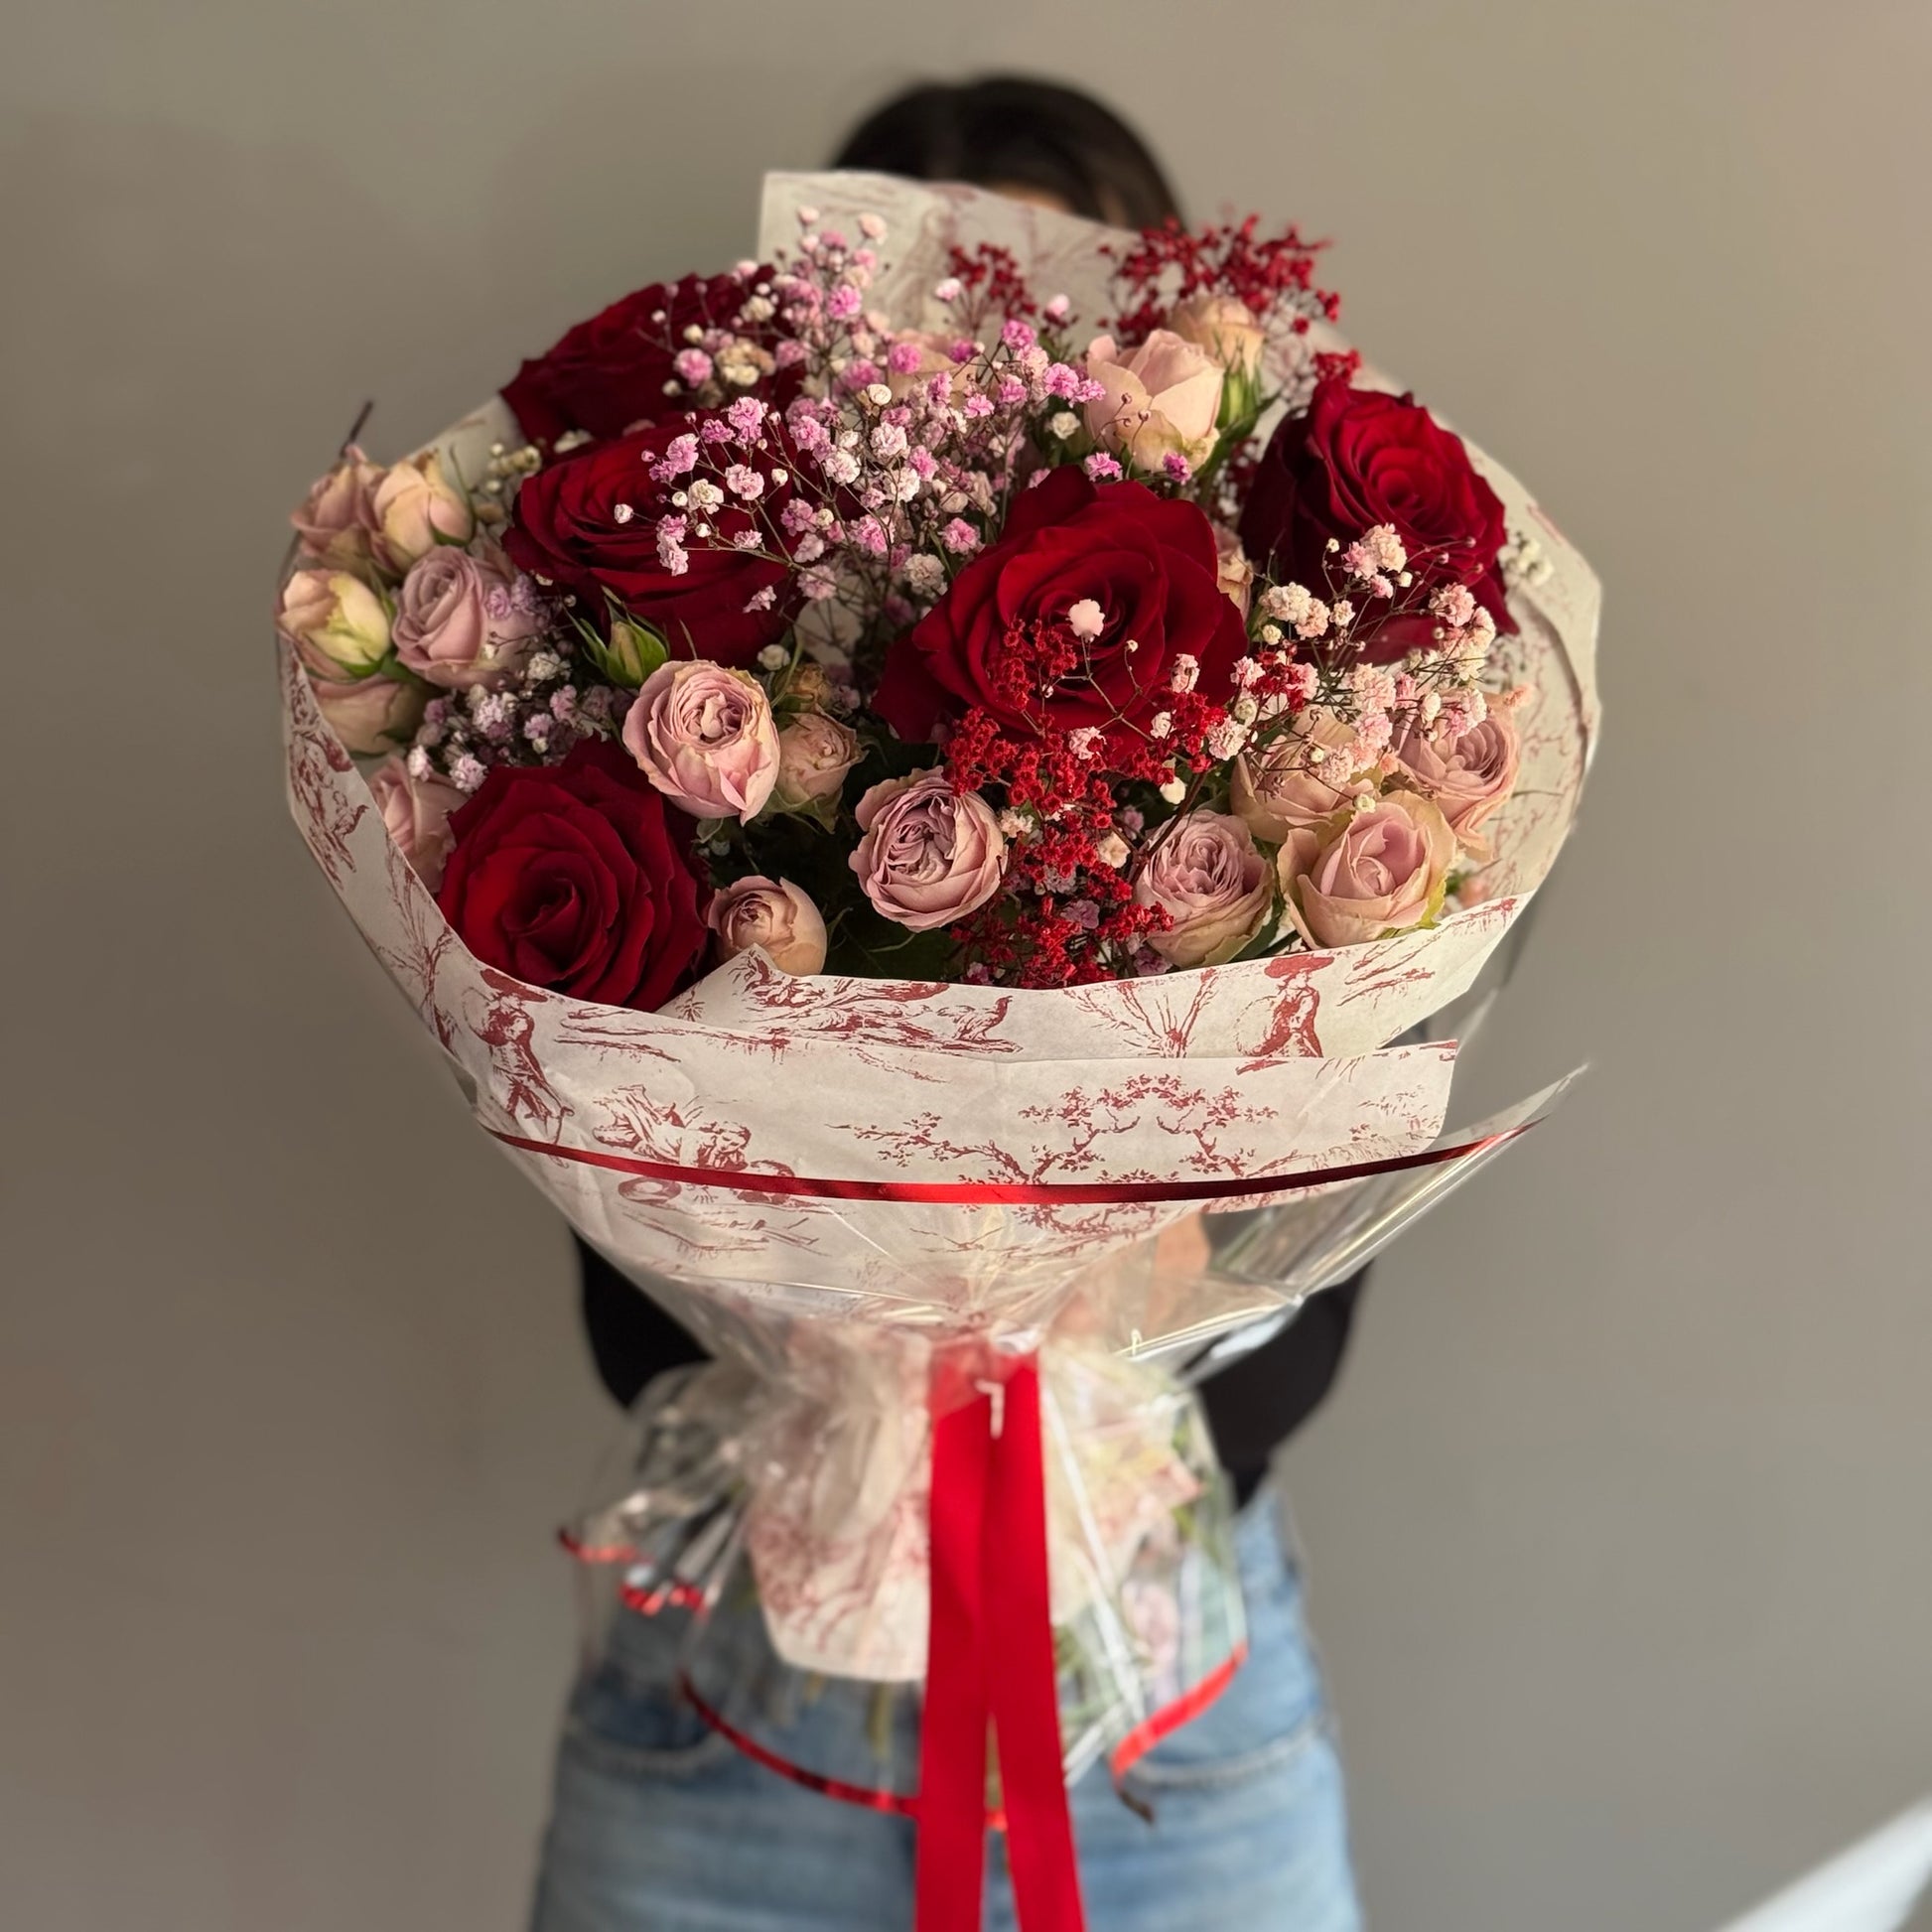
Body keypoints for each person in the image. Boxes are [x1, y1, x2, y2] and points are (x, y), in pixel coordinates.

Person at [530, 76, 1365, 1932]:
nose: (986, 353)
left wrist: (1044, 1399)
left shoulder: (1311, 750)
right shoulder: (690, 728)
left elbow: (1301, 1308)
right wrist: (855, 1370)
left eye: (1047, 309)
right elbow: (626, 1303)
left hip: (1160, 1719)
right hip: (733, 1715)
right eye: (925, 296)